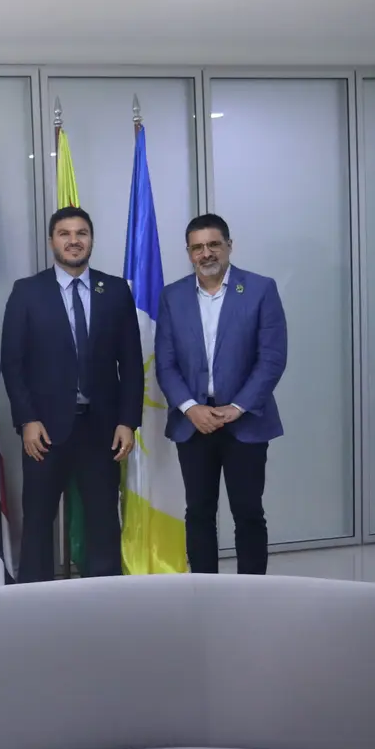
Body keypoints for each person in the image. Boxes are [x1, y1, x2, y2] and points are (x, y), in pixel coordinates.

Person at [2, 206, 143, 582]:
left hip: (101, 430)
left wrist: (127, 421)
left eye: (81, 233)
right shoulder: (27, 292)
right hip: (44, 432)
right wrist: (27, 420)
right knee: (38, 522)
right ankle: (35, 600)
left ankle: (103, 600)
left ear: (91, 240)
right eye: (64, 234)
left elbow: (131, 363)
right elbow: (12, 364)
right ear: (52, 241)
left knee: (103, 521)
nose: (74, 240)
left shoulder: (115, 291)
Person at [156, 213, 287, 574]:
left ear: (229, 246)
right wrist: (190, 407)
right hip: (193, 423)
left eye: (214, 244)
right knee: (199, 512)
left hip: (245, 421)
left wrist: (238, 406)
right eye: (197, 247)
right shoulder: (172, 296)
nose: (206, 253)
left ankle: (252, 591)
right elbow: (165, 363)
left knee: (248, 511)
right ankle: (204, 591)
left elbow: (272, 358)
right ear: (189, 253)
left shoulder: (260, 289)